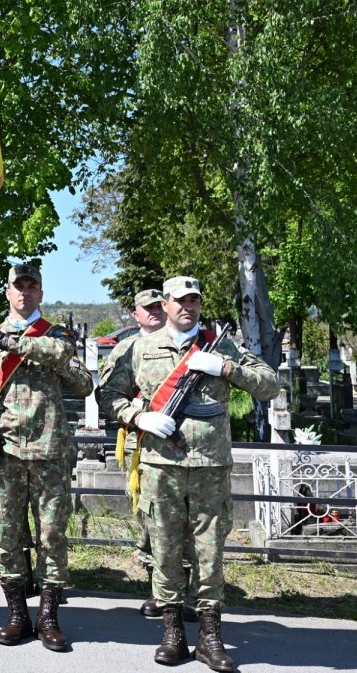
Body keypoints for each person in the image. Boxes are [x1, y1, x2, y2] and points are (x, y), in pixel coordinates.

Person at [97, 276, 278, 672]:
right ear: (165, 303)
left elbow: (270, 385)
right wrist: (138, 415)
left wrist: (226, 367)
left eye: (194, 300)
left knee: (210, 554)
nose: (188, 307)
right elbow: (107, 394)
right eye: (180, 301)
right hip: (161, 468)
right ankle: (172, 633)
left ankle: (210, 638)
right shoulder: (139, 349)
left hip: (210, 469)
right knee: (164, 550)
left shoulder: (221, 345)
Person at [0, 263, 94, 651]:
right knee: (7, 538)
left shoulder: (57, 336)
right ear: (7, 293)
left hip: (50, 455)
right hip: (3, 455)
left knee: (52, 537)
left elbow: (84, 382)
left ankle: (47, 617)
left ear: (41, 293)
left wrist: (13, 344)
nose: (24, 293)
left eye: (32, 286)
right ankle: (16, 614)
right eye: (18, 286)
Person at [102, 289, 197, 621]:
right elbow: (110, 393)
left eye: (160, 306)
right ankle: (159, 589)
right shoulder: (128, 349)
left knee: (187, 521)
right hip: (143, 443)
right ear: (136, 314)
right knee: (151, 519)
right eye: (148, 308)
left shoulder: (194, 345)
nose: (155, 312)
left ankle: (187, 592)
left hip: (187, 446)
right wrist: (138, 413)